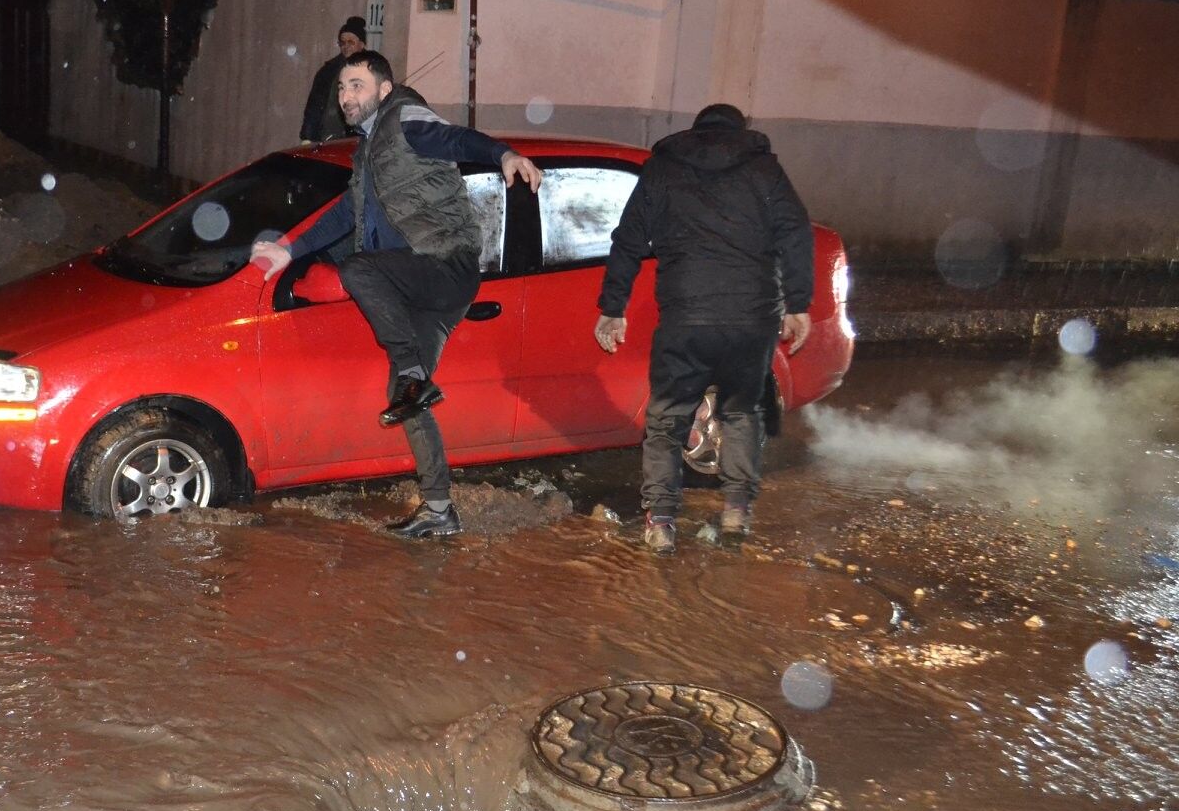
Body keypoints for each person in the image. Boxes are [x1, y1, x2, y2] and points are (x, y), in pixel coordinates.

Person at [255, 50, 542, 539]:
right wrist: (290, 250)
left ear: (383, 90)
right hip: (415, 280)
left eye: (357, 85)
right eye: (342, 88)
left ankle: (412, 374)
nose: (347, 96)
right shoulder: (368, 149)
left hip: (443, 263)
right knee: (406, 397)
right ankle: (438, 510)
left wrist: (504, 154)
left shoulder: (405, 118)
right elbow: (347, 212)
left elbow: (456, 139)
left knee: (357, 271)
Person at [593, 102, 813, 555]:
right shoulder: (764, 170)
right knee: (740, 412)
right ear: (740, 130)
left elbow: (628, 238)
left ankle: (661, 522)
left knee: (667, 419)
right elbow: (795, 232)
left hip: (686, 316)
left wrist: (613, 307)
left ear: (696, 131)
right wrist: (798, 304)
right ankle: (735, 513)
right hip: (751, 318)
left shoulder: (663, 170)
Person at [299, 16, 368, 145]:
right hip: (326, 138)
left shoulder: (372, 70)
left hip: (356, 140)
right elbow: (314, 106)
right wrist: (307, 137)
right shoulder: (328, 72)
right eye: (342, 42)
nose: (346, 46)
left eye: (351, 42)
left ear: (362, 44)